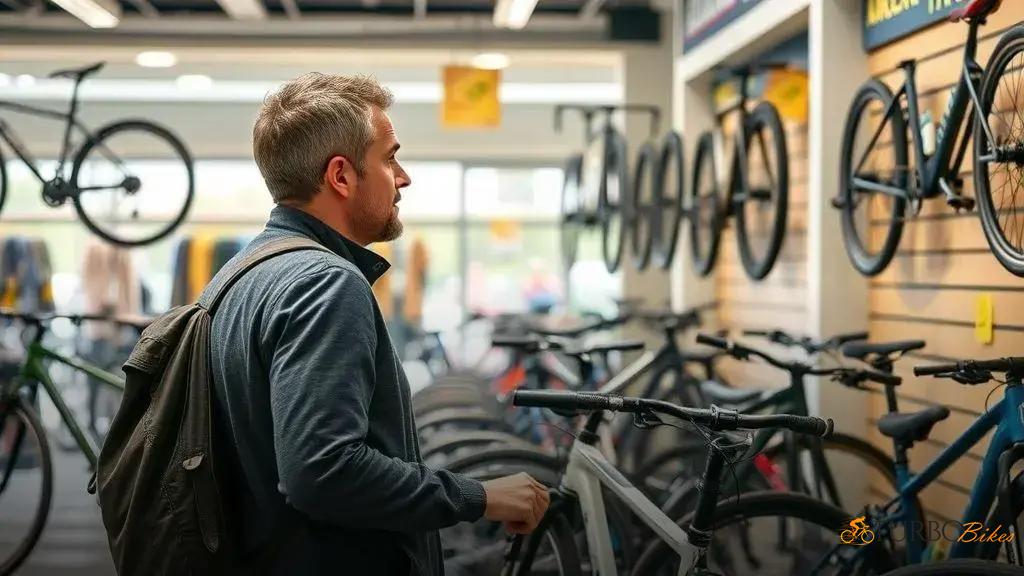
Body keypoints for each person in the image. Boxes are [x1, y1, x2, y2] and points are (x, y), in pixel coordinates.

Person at [204, 73, 549, 576]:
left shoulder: (241, 274)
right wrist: (480, 497)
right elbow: (322, 472)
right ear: (341, 176)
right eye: (389, 159)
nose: (403, 177)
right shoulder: (325, 284)